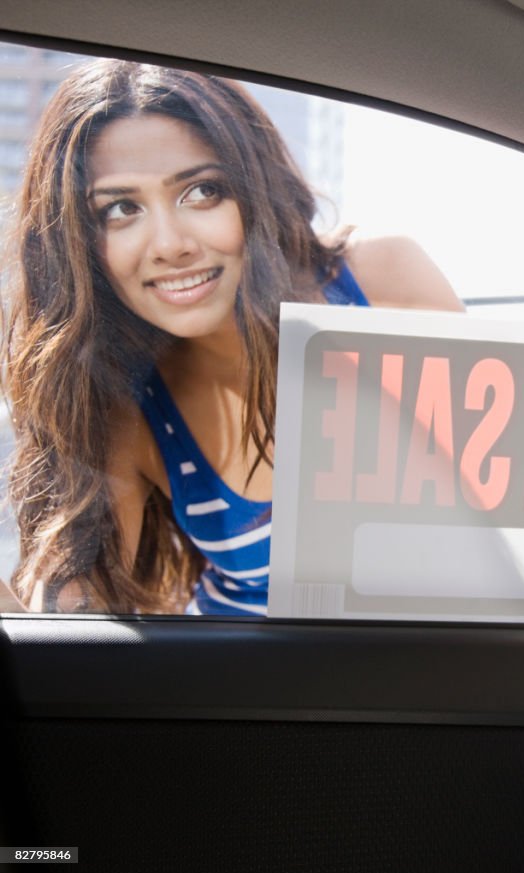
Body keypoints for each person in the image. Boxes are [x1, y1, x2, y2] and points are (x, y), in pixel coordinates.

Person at [3, 59, 462, 615]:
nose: (170, 244)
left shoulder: (381, 280)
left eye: (202, 191)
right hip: (239, 688)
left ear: (255, 190)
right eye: (122, 209)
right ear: (82, 243)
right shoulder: (131, 403)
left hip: (430, 681)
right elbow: (77, 606)